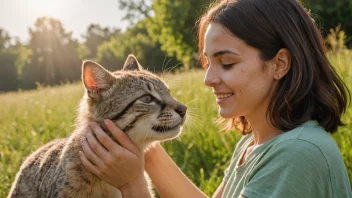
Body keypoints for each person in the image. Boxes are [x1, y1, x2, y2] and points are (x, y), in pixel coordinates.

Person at [79, 0, 352, 197]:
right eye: (208, 63)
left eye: (228, 63)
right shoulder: (255, 144)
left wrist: (132, 185)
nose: (209, 79)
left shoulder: (298, 154)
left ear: (279, 64)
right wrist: (145, 151)